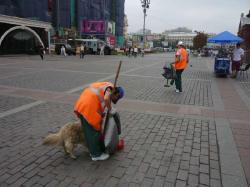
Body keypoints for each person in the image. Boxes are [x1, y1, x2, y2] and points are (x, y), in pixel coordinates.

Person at [74, 82, 124, 161]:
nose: (114, 100)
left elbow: (100, 100)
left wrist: (102, 113)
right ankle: (96, 155)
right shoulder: (110, 88)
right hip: (88, 106)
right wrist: (111, 109)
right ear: (117, 94)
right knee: (93, 132)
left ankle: (93, 151)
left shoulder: (107, 85)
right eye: (116, 98)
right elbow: (106, 98)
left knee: (89, 131)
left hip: (83, 103)